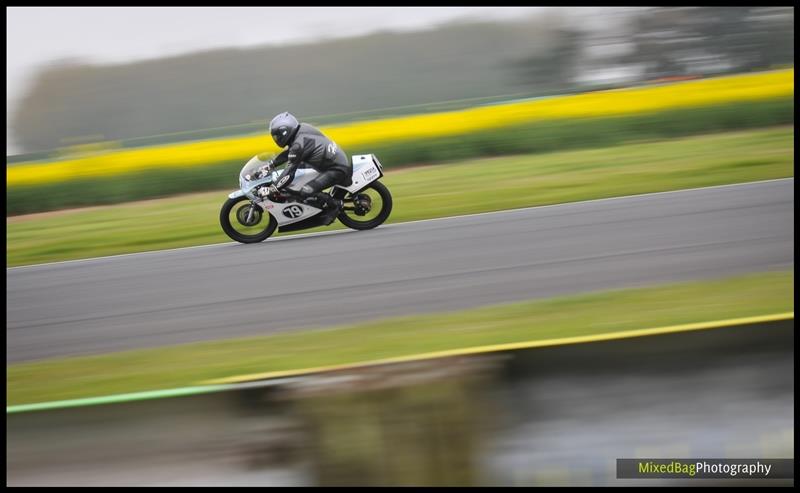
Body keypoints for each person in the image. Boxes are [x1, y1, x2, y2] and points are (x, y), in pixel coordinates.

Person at [262, 112, 352, 225]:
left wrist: (274, 188)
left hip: (336, 168)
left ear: (284, 132)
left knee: (306, 190)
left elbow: (289, 173)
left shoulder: (298, 144)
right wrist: (272, 164)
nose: (276, 138)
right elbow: (290, 153)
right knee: (298, 180)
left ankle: (335, 205)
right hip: (330, 161)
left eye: (276, 135)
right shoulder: (301, 129)